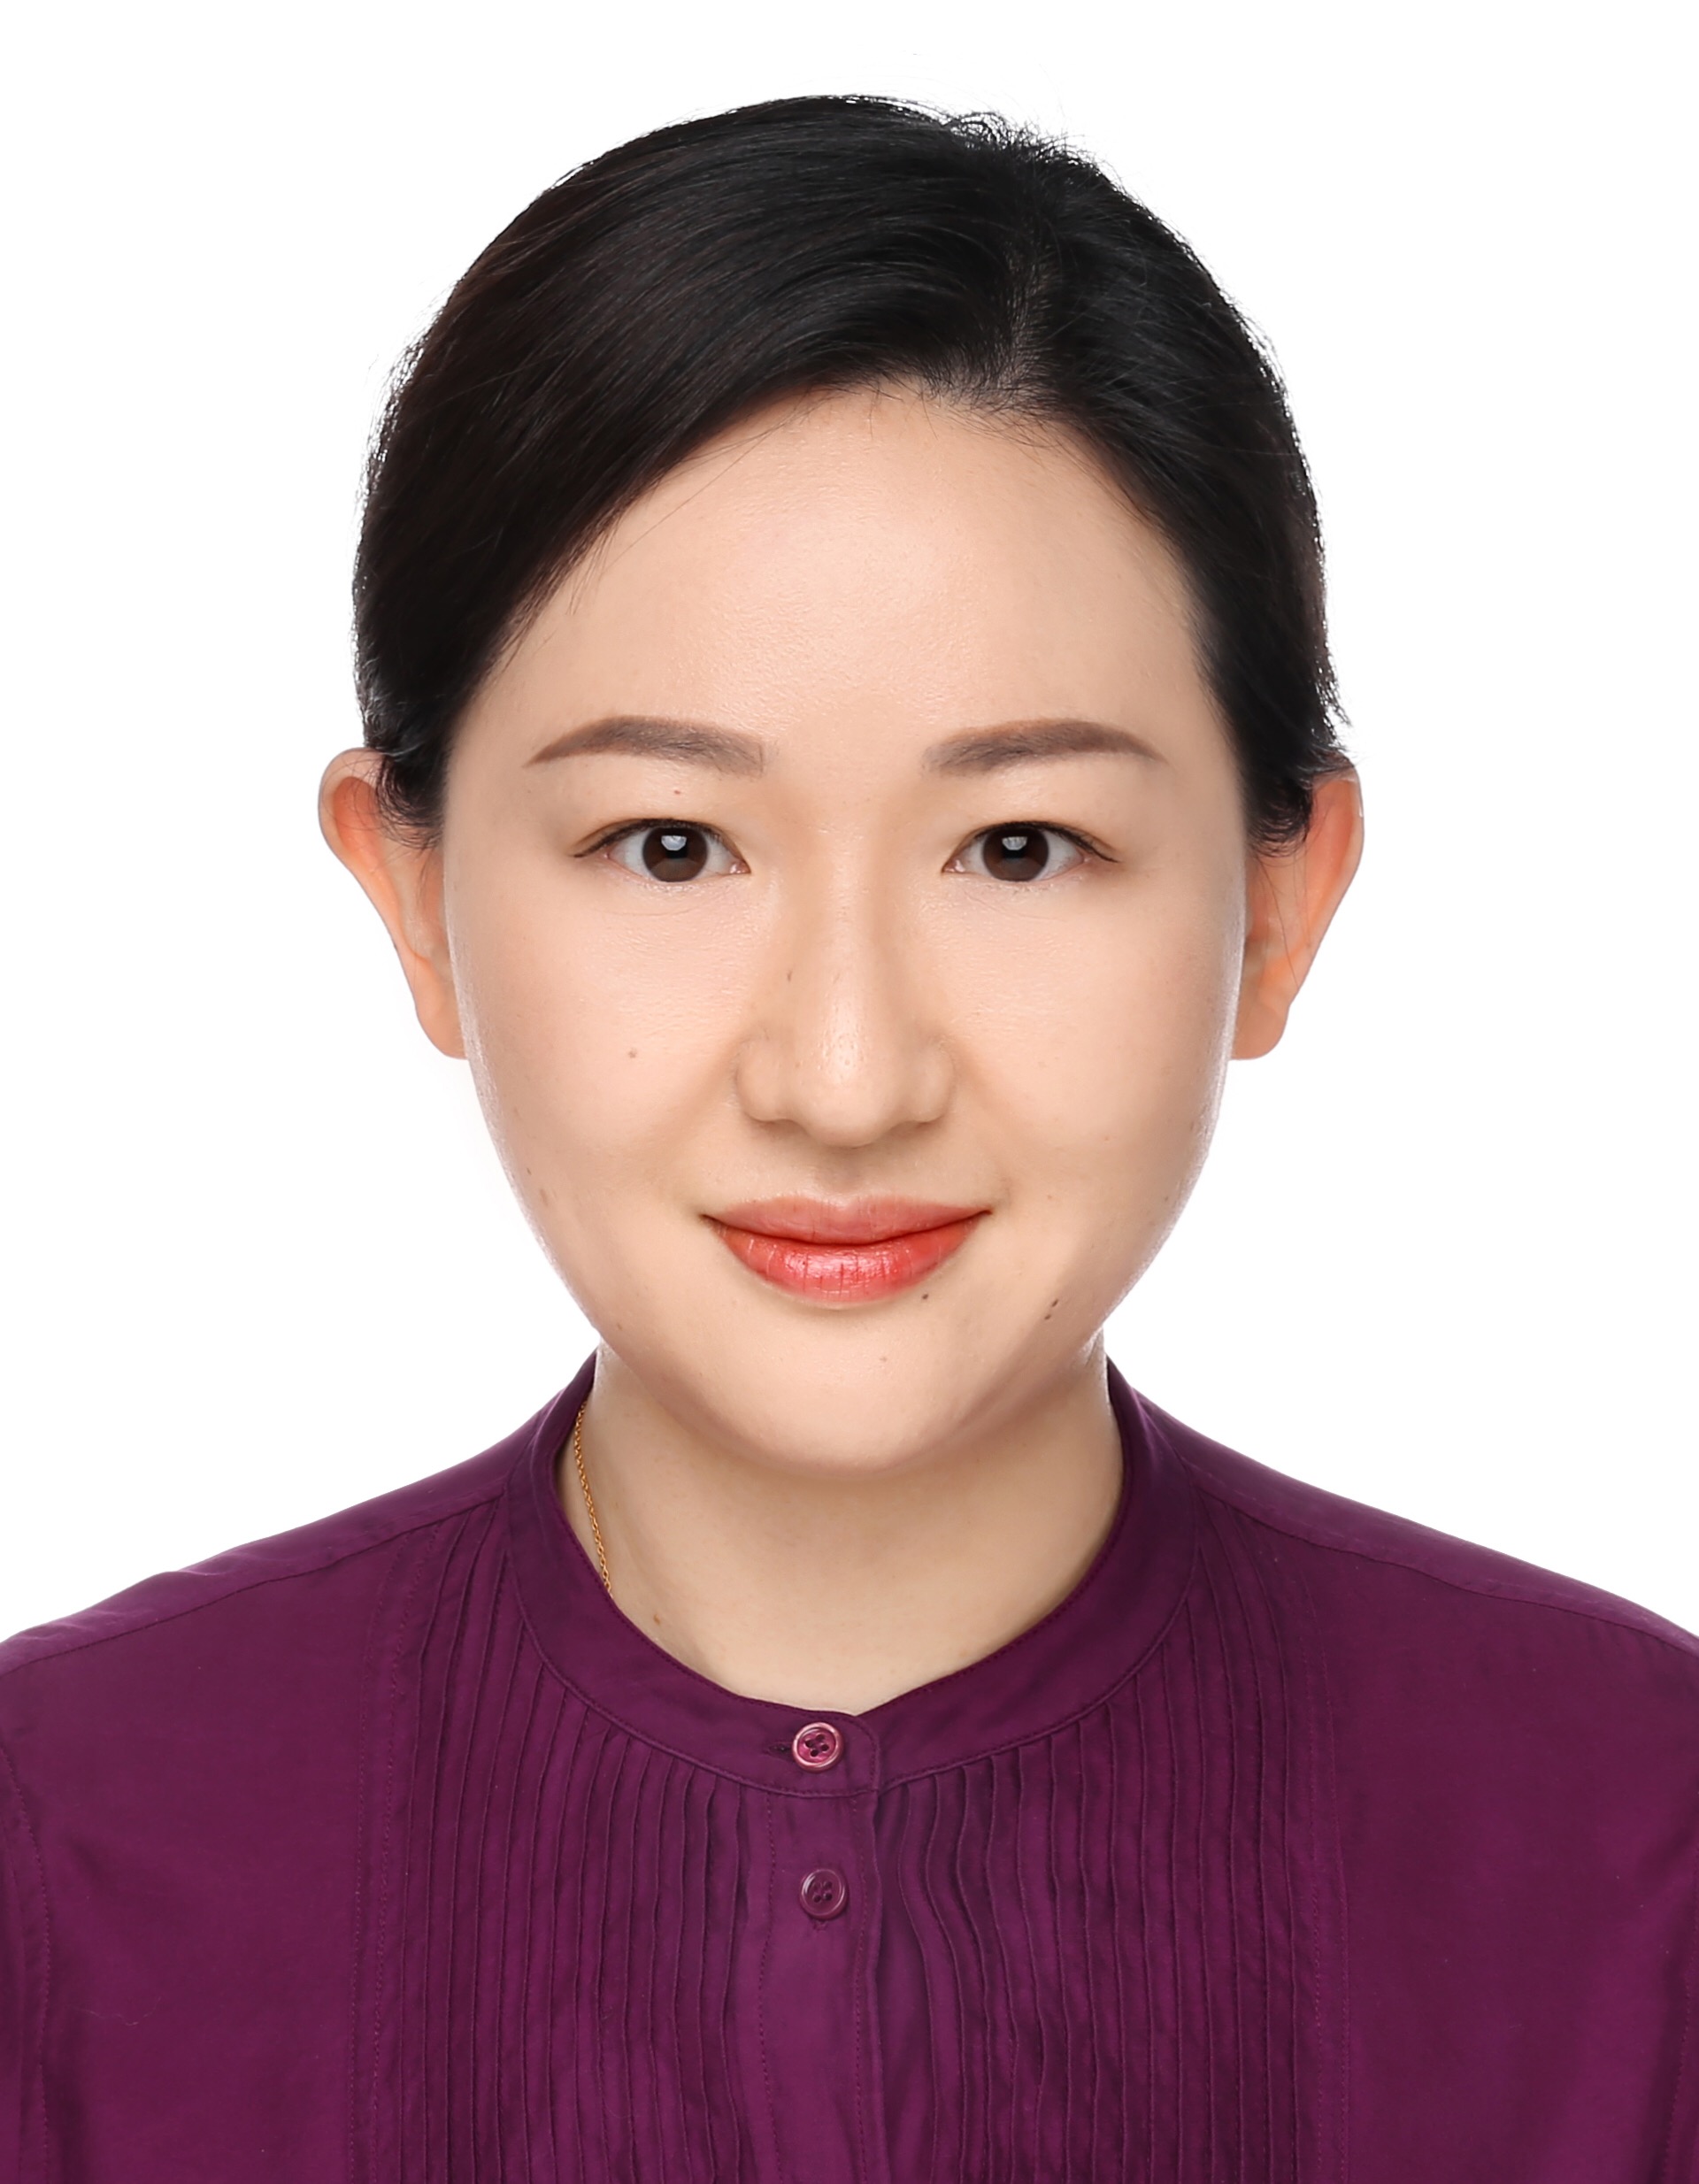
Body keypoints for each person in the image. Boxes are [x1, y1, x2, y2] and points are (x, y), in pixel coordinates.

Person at [1, 94, 1693, 2183]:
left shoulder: (1643, 1853)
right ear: (412, 896)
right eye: (671, 843)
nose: (846, 1072)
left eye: (1021, 845)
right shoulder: (63, 1844)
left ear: (1278, 905)